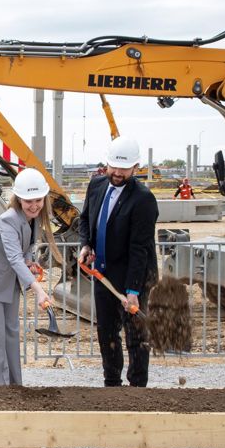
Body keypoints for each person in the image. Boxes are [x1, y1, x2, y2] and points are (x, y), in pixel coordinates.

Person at [78, 136, 158, 387]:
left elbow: (139, 249)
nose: (118, 173)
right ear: (107, 163)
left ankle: (137, 388)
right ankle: (111, 385)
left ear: (136, 167)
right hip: (103, 274)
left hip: (133, 275)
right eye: (114, 167)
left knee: (136, 335)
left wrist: (133, 291)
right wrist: (86, 245)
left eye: (124, 168)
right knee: (107, 332)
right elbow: (85, 219)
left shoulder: (143, 199)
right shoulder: (97, 185)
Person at [0, 169, 59, 386]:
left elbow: (25, 251)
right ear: (18, 199)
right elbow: (14, 258)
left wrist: (30, 262)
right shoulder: (8, 220)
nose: (34, 205)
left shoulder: (33, 219)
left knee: (10, 335)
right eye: (28, 201)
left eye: (38, 200)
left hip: (8, 284)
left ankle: (14, 387)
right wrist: (39, 290)